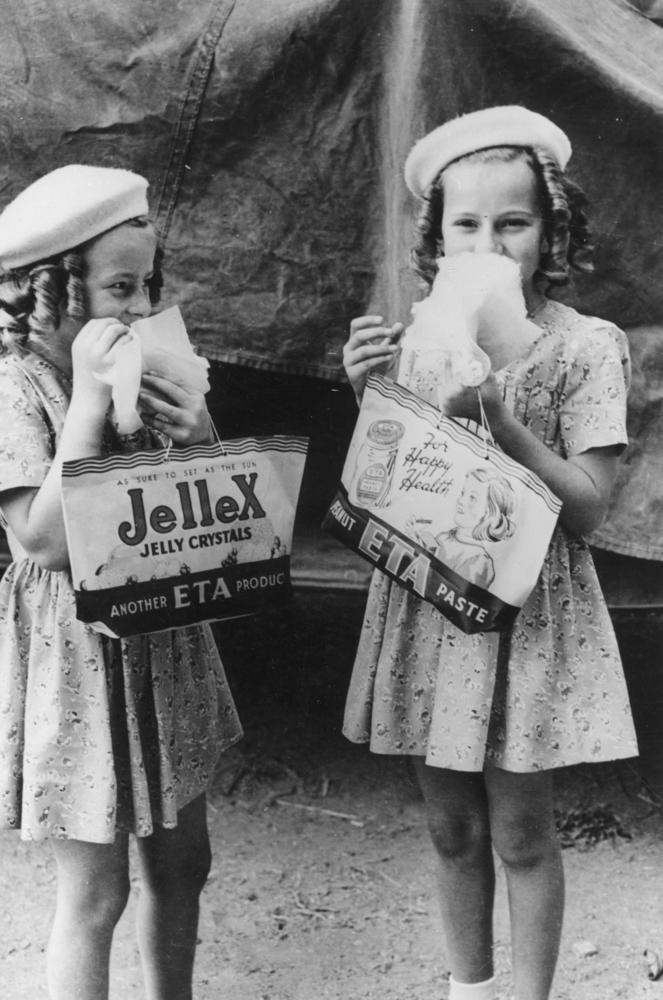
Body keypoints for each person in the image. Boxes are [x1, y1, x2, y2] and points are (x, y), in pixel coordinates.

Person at [341, 106, 639, 1000]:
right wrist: (371, 395)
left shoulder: (587, 346)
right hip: (435, 601)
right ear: (436, 241)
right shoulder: (418, 340)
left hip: (530, 610)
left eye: (512, 223)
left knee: (519, 833)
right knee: (450, 830)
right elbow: (392, 488)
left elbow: (585, 511)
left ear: (549, 230)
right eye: (465, 225)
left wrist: (501, 418)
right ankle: (466, 987)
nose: (489, 242)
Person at [0, 165, 243, 1000]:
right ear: (47, 294)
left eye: (147, 286)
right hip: (74, 651)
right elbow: (40, 538)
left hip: (162, 629)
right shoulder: (4, 390)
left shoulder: (146, 370)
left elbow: (208, 507)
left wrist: (202, 436)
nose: (141, 310)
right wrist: (86, 409)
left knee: (185, 860)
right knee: (97, 891)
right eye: (119, 288)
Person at [407, 467, 516, 589]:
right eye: (463, 493)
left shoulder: (478, 561)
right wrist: (414, 539)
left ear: (488, 513)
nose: (461, 501)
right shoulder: (444, 537)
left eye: (472, 498)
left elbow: (444, 594)